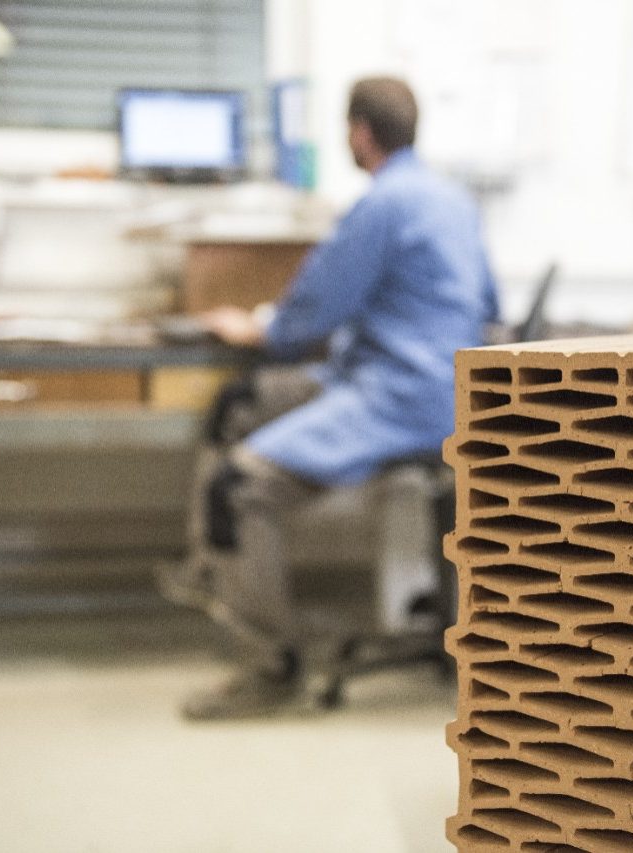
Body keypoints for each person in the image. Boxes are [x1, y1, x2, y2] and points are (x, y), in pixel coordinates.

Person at [159, 76, 500, 721]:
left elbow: (309, 313)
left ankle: (271, 668)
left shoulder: (382, 204)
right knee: (239, 402)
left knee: (238, 486)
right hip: (441, 387)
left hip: (400, 396)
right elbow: (489, 306)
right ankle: (213, 566)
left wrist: (263, 327)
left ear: (359, 133)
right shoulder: (452, 198)